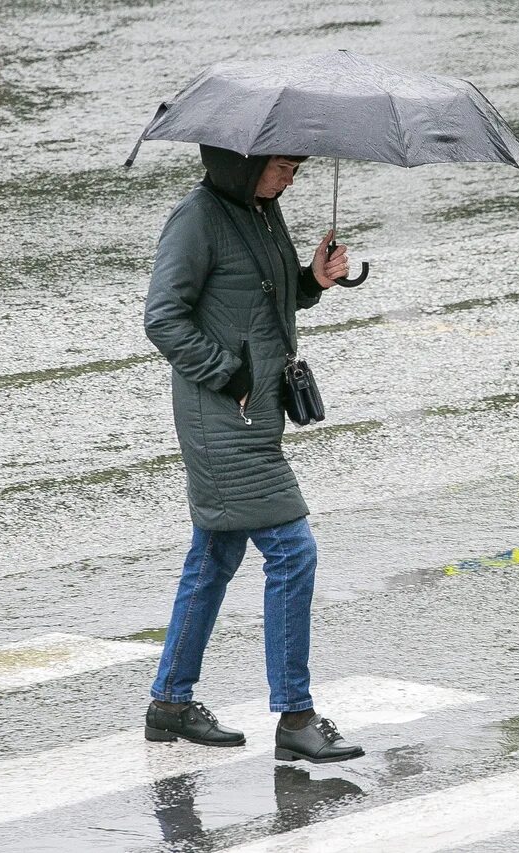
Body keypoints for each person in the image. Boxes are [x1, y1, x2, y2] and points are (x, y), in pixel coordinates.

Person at [141, 144, 364, 763]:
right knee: (293, 552)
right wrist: (229, 374)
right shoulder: (199, 217)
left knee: (214, 555)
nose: (289, 180)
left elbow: (261, 303)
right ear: (243, 160)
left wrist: (310, 282)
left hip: (256, 413)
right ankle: (295, 717)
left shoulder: (264, 212)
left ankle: (170, 704)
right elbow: (162, 316)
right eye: (281, 168)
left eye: (295, 171)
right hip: (221, 416)